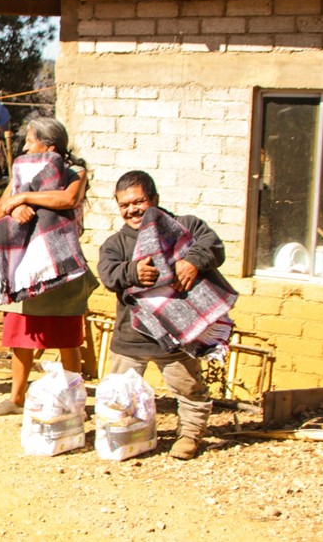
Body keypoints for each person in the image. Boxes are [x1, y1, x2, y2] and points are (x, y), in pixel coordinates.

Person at [97, 170, 232, 460]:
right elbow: (108, 274)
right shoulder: (115, 243)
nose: (132, 210)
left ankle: (189, 436)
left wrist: (193, 261)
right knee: (119, 395)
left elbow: (214, 246)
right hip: (131, 336)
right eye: (124, 205)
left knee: (189, 390)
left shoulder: (185, 227)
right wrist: (132, 272)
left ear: (155, 199)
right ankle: (125, 437)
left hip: (177, 334)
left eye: (139, 202)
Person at [0, 118, 91, 417]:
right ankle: (16, 399)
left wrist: (24, 196)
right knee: (21, 335)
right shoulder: (21, 173)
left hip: (60, 265)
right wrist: (15, 206)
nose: (25, 147)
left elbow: (68, 198)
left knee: (67, 337)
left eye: (31, 141)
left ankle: (74, 402)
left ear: (50, 147)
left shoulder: (74, 172)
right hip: (23, 268)